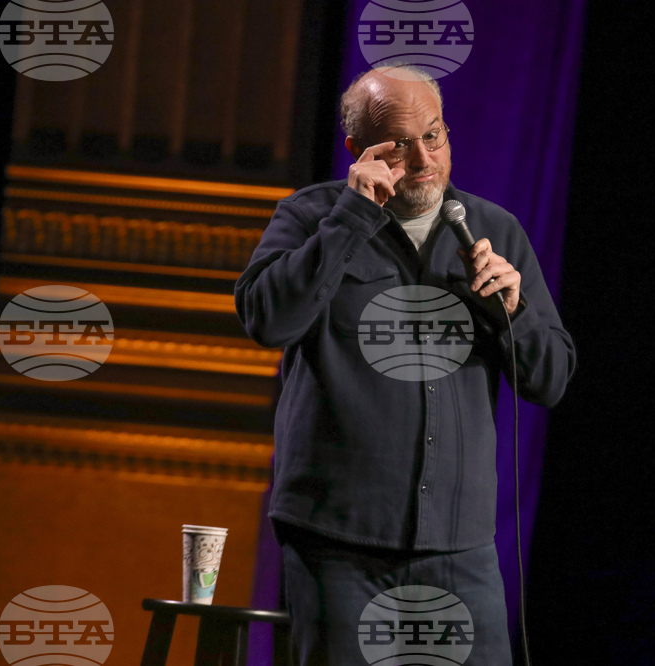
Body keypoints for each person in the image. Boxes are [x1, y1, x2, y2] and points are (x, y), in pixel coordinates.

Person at [235, 65, 575, 665]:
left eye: (434, 136)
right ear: (358, 151)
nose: (423, 160)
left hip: (459, 550)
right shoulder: (311, 217)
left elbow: (551, 378)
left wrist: (512, 313)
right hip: (337, 544)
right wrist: (351, 218)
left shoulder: (494, 230)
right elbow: (268, 320)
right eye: (398, 146)